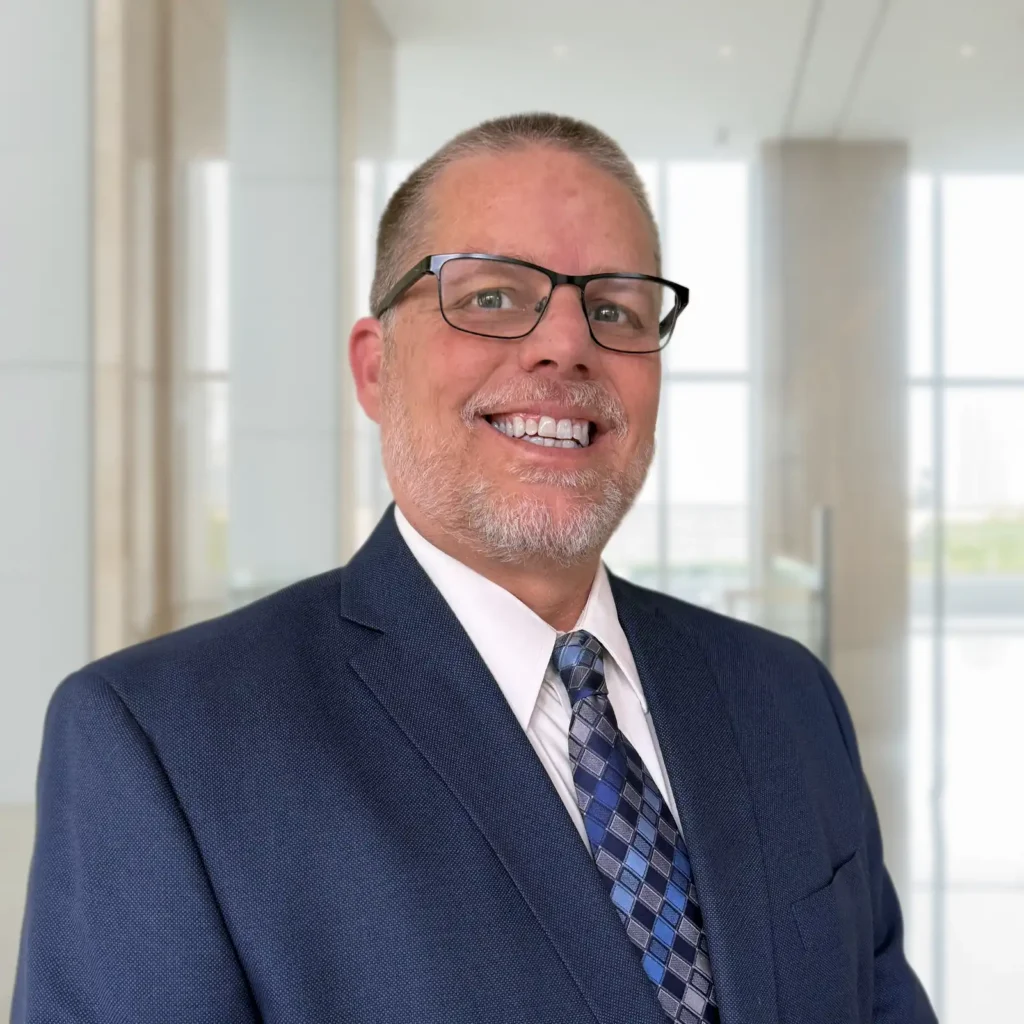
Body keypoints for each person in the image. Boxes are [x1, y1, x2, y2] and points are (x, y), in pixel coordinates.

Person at [12, 112, 935, 1024]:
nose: (567, 344)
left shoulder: (787, 696)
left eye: (615, 310)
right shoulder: (164, 743)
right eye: (493, 296)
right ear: (376, 371)